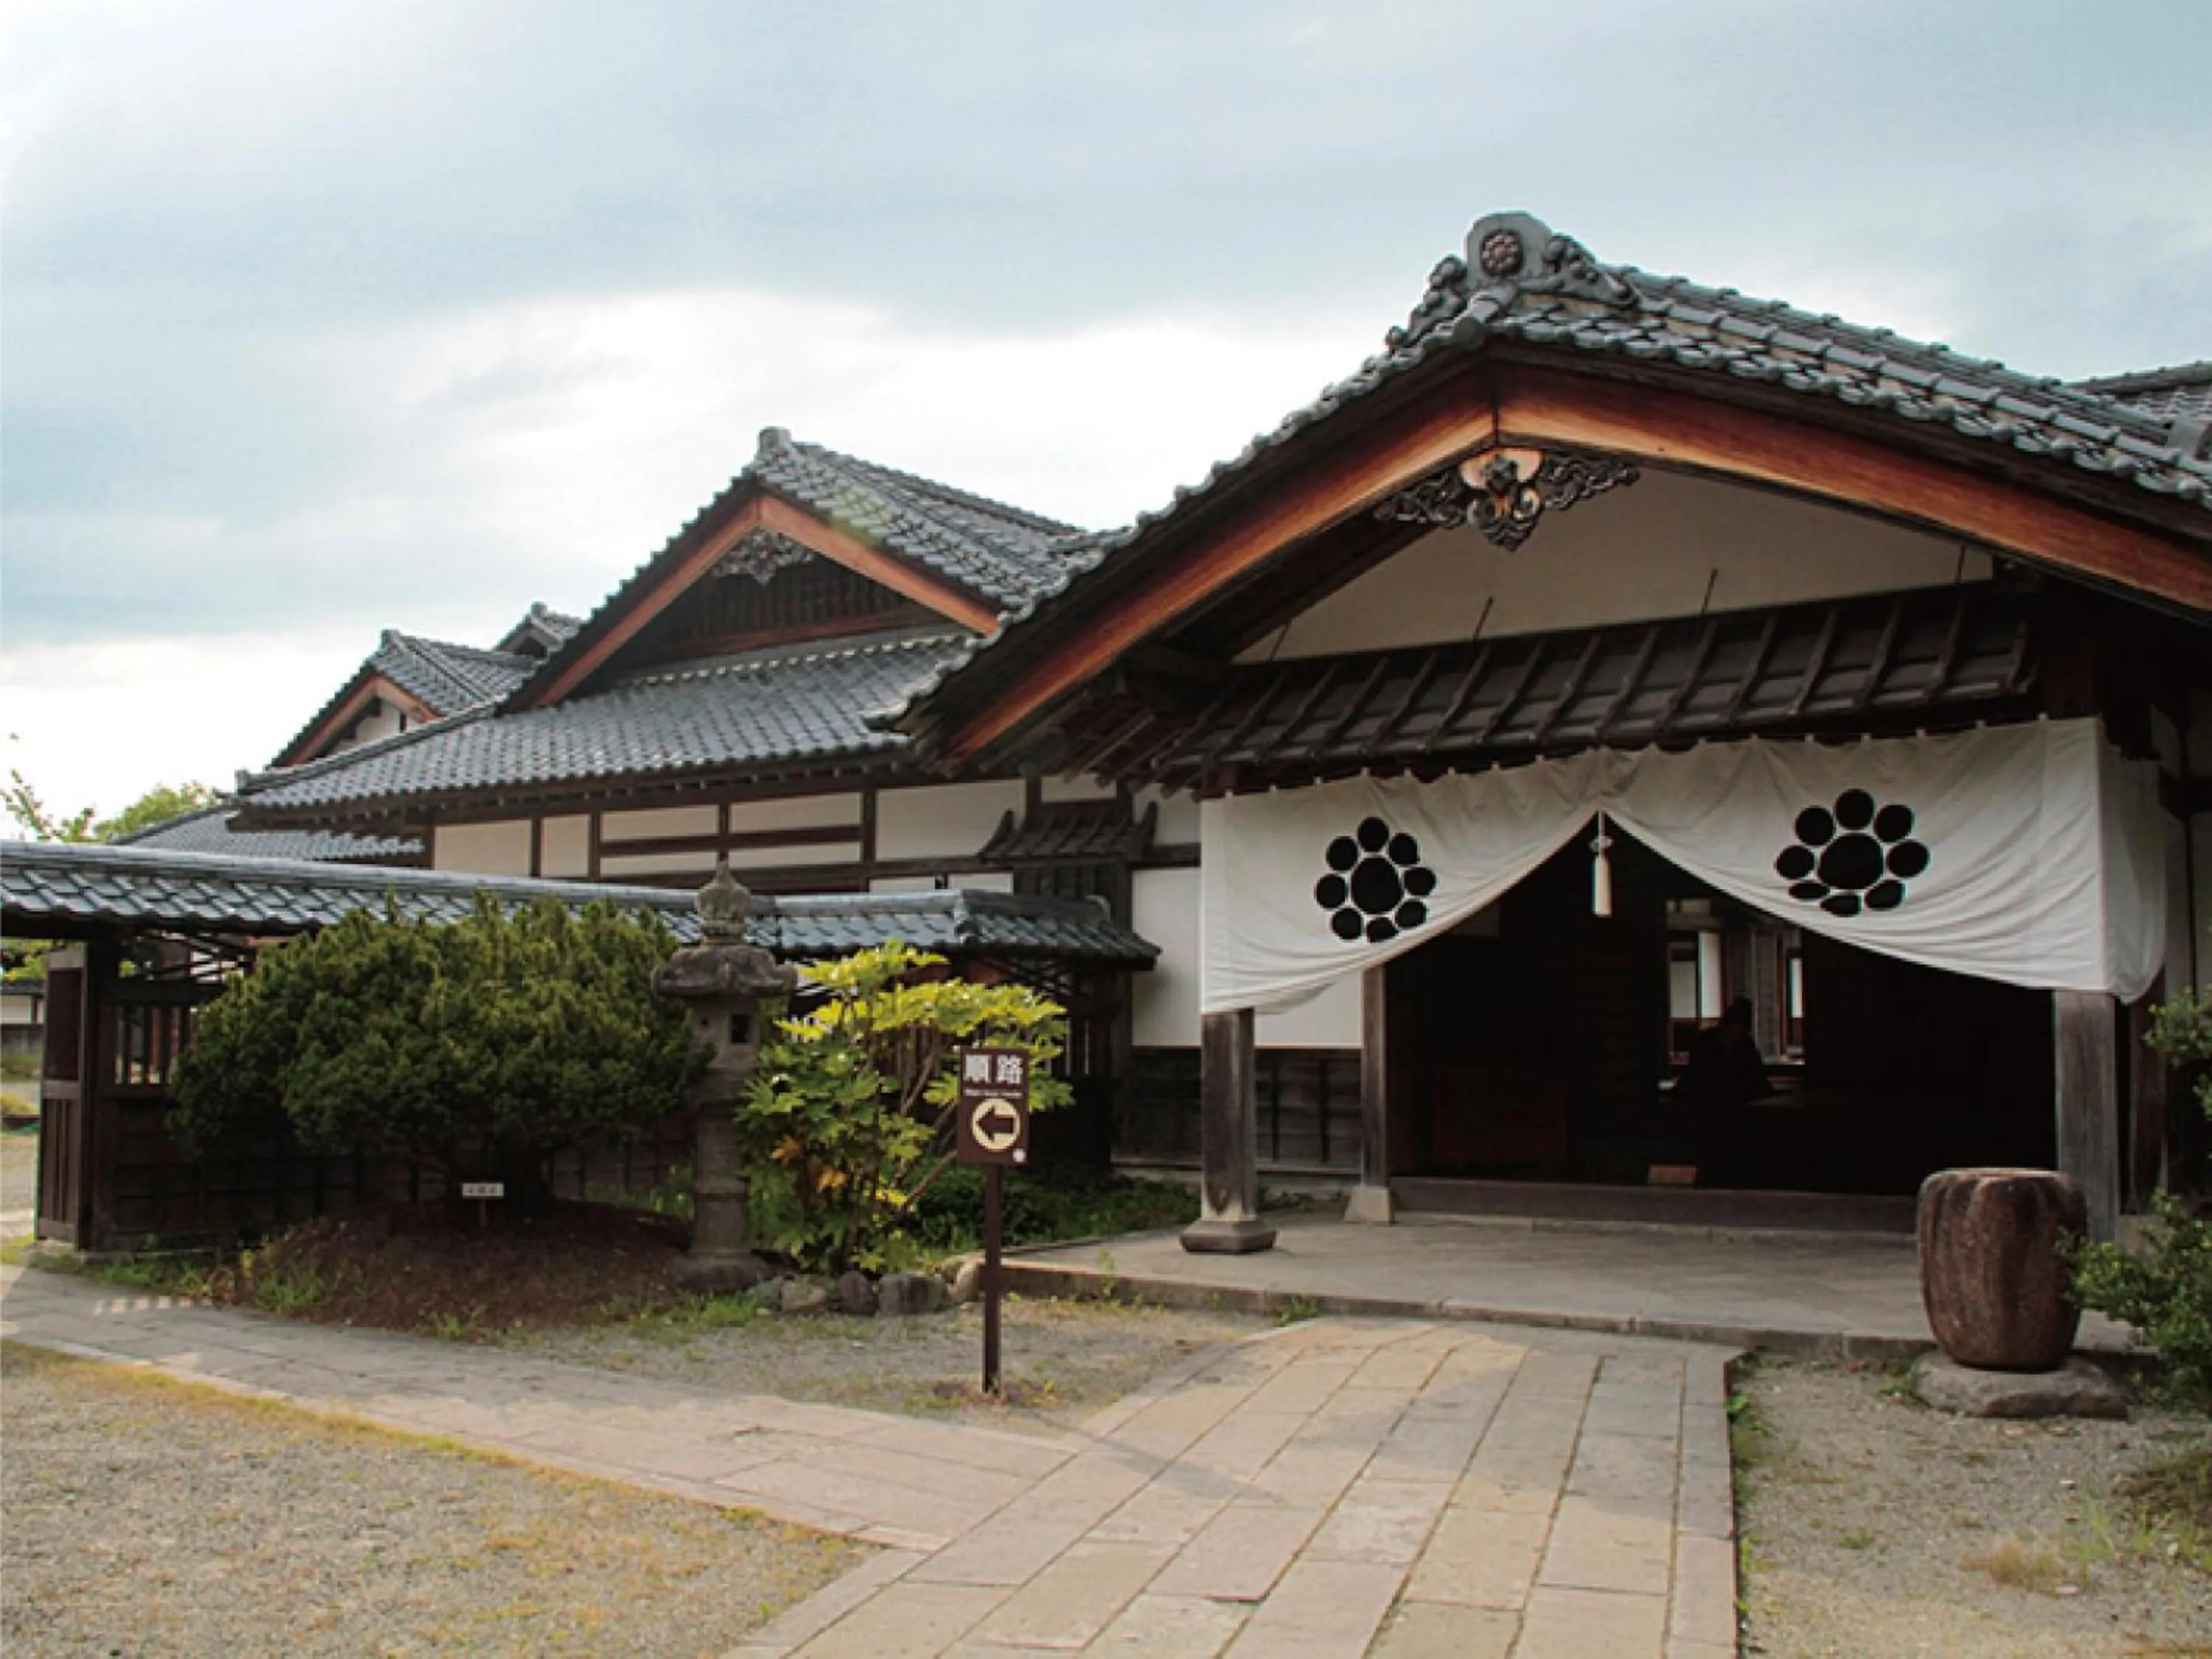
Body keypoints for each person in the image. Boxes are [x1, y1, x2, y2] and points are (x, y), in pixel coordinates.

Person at [1677, 997, 1769, 1111]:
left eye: (1740, 1030)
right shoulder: (1706, 1040)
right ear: (1725, 1025)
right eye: (1733, 1028)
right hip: (1705, 1098)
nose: (1735, 1033)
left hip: (1738, 1100)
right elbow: (1695, 1072)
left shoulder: (1745, 1044)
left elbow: (1757, 1074)